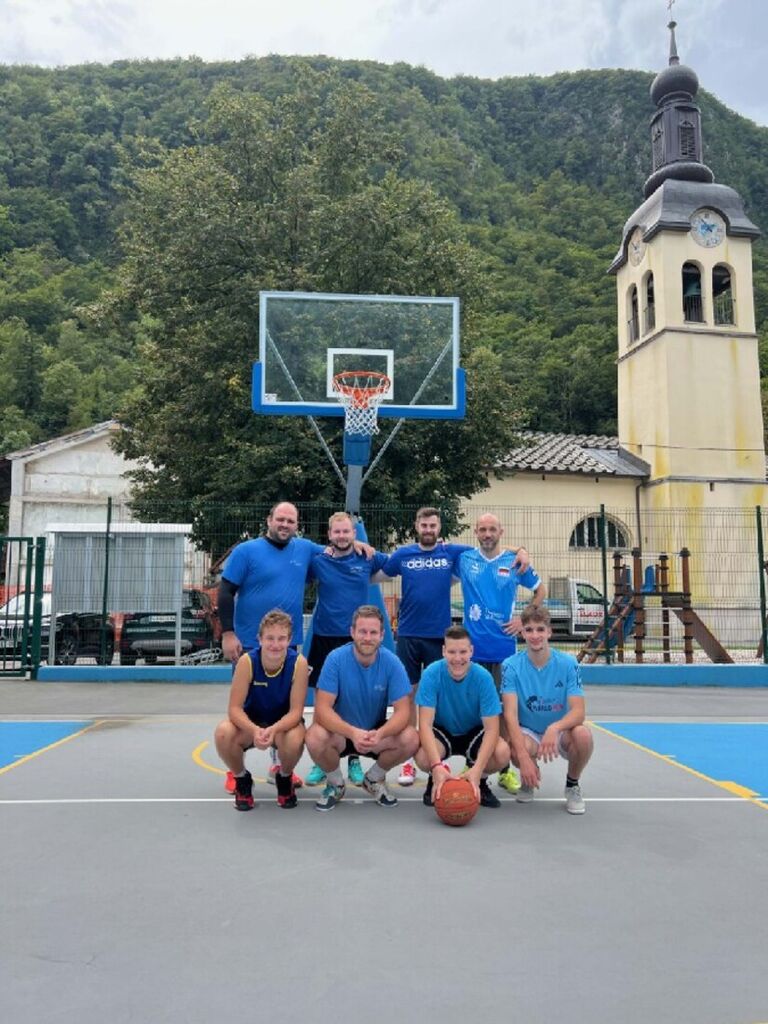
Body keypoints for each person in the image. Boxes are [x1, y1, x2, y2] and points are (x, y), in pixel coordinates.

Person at [217, 500, 371, 787]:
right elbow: (225, 591)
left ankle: (278, 766)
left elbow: (338, 548)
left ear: (297, 525)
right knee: (245, 707)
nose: (285, 525)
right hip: (249, 644)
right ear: (269, 520)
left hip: (287, 646)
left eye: (290, 521)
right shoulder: (246, 551)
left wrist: (360, 545)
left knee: (283, 707)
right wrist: (228, 633)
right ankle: (236, 772)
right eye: (280, 519)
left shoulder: (305, 549)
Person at [379, 506, 528, 786]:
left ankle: (476, 761)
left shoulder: (452, 552)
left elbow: (489, 548)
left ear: (439, 528)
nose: (428, 529)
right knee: (410, 697)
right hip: (409, 634)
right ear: (416, 526)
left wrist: (520, 550)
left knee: (443, 698)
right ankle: (412, 762)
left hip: (440, 636)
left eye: (433, 525)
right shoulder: (403, 554)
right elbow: (377, 571)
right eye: (424, 525)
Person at [456, 512, 546, 793]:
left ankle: (504, 769)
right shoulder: (464, 558)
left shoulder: (514, 562)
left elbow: (540, 590)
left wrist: (523, 618)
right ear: (475, 532)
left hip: (504, 650)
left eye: (492, 529)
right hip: (472, 652)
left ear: (501, 532)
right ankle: (473, 764)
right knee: (476, 712)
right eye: (482, 529)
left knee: (506, 713)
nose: (487, 534)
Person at [304, 511, 389, 787]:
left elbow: (398, 563)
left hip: (356, 638)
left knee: (353, 701)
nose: (341, 536)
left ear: (354, 533)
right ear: (329, 534)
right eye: (337, 532)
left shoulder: (368, 557)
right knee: (323, 701)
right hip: (324, 638)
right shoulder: (319, 560)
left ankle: (354, 759)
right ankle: (322, 761)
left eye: (346, 531)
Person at [304, 605, 419, 811]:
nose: (367, 637)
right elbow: (322, 709)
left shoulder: (392, 663)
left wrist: (380, 733)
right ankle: (335, 783)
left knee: (411, 738)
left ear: (382, 635)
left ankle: (374, 779)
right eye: (362, 631)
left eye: (373, 632)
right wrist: (352, 733)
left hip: (375, 733)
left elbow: (403, 712)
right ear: (352, 632)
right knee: (314, 736)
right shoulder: (335, 659)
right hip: (341, 733)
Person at [500, 605, 593, 815]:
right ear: (522, 633)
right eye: (529, 630)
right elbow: (510, 715)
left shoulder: (568, 663)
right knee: (514, 748)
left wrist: (554, 728)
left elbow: (579, 712)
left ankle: (572, 785)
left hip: (559, 731)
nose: (535, 635)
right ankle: (528, 778)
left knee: (583, 735)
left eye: (540, 629)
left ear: (549, 632)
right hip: (529, 731)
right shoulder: (510, 666)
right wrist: (524, 758)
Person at [214, 609, 309, 811]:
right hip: (252, 723)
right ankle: (242, 779)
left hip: (282, 725)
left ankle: (284, 777)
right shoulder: (247, 662)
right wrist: (254, 730)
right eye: (270, 638)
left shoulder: (299, 664)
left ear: (289, 639)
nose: (275, 644)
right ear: (259, 639)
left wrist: (273, 730)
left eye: (281, 638)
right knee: (223, 732)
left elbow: (296, 713)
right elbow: (234, 709)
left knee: (296, 738)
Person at [414, 624, 511, 809]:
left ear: (471, 651)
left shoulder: (483, 677)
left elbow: (492, 729)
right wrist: (436, 766)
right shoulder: (431, 673)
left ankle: (479, 781)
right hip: (443, 731)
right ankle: (436, 777)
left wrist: (478, 769)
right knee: (423, 757)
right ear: (443, 651)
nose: (457, 658)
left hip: (474, 731)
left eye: (463, 652)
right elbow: (425, 725)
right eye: (452, 652)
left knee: (502, 752)